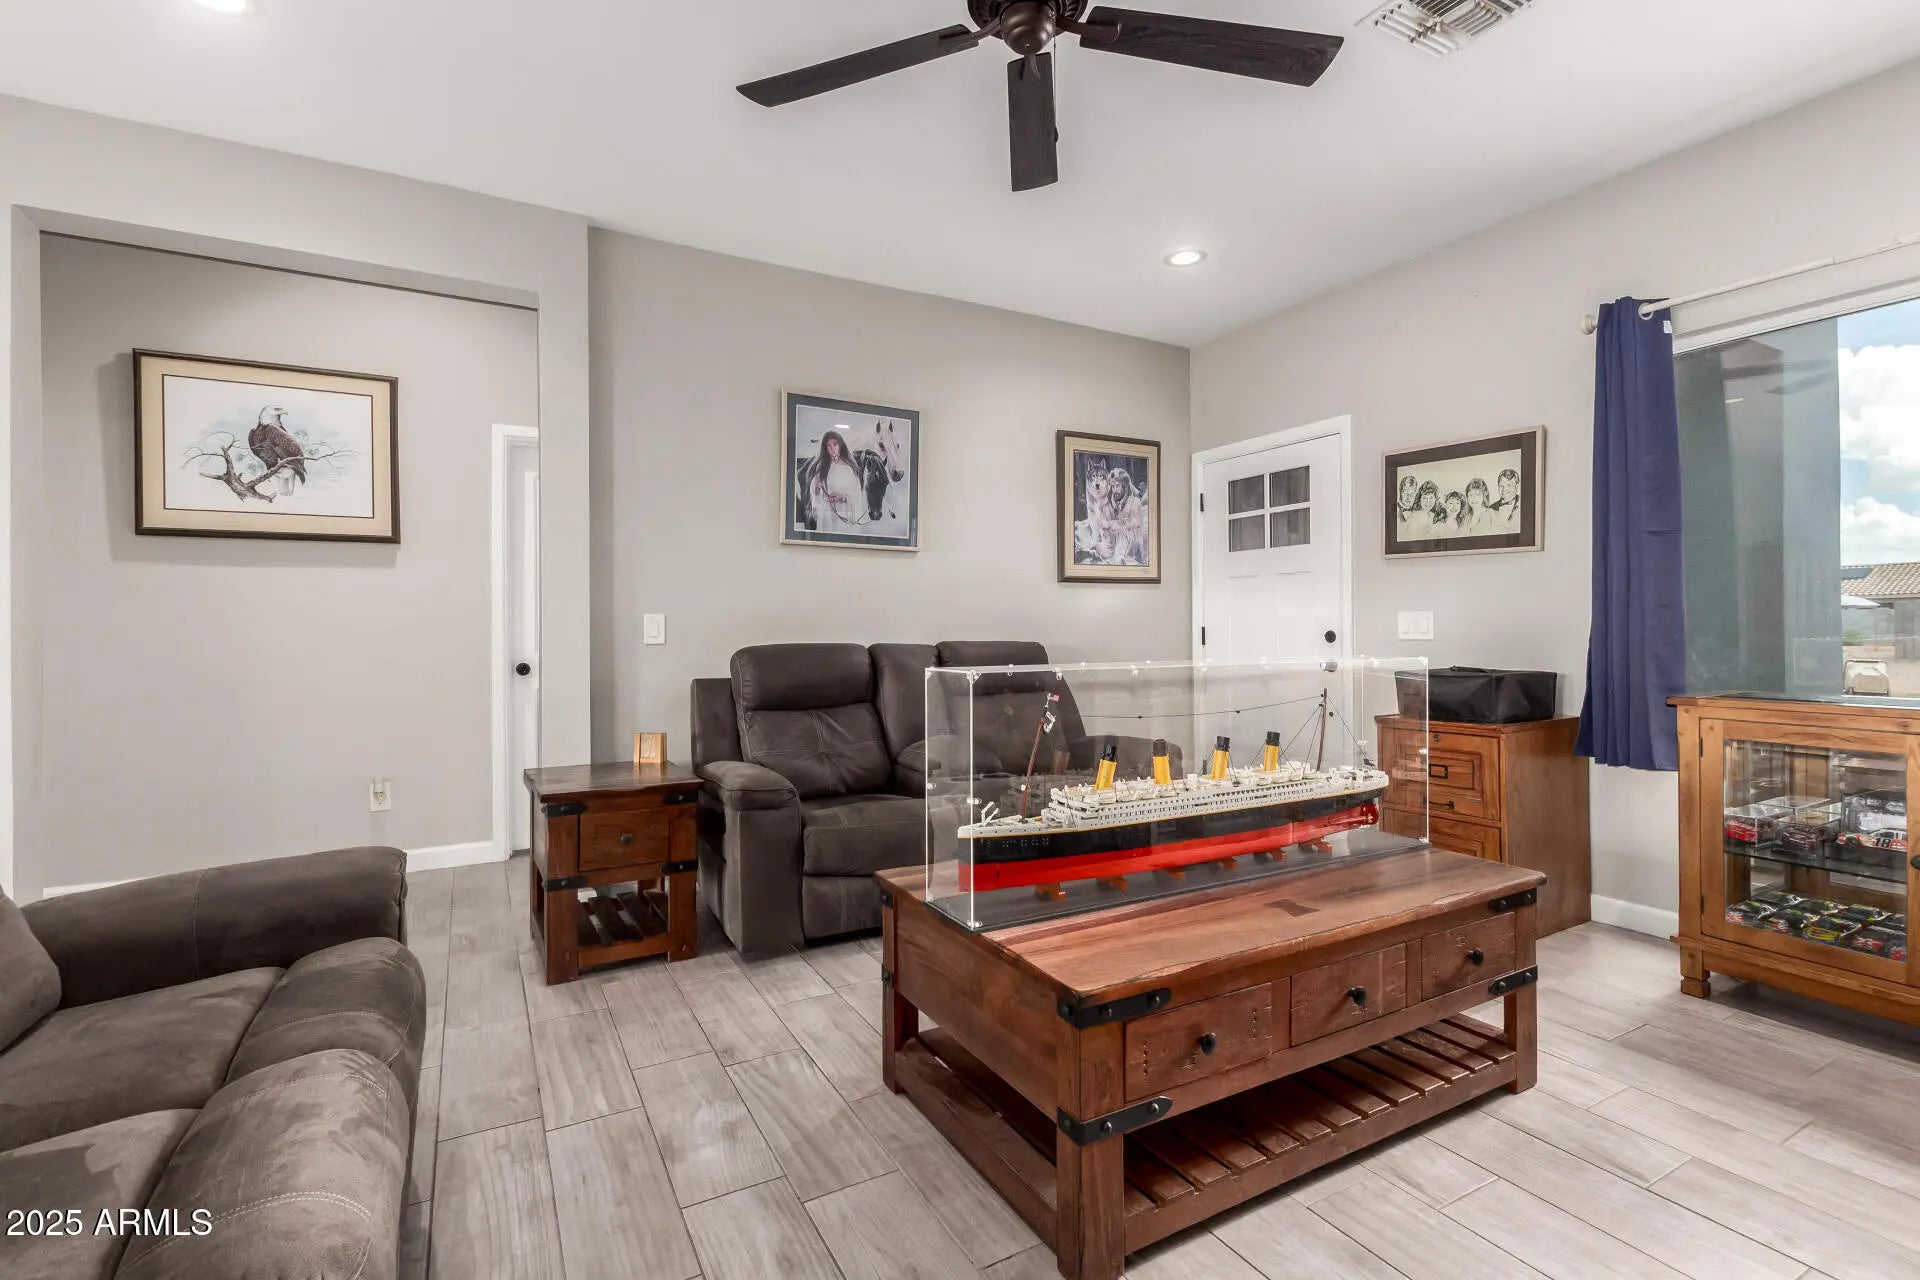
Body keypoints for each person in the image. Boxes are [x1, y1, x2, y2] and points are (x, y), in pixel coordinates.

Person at [808, 430, 864, 532]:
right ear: (825, 448)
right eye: (829, 446)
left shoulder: (850, 467)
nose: (832, 449)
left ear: (840, 445)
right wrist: (818, 489)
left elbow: (856, 493)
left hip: (845, 513)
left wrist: (843, 498)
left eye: (835, 444)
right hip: (828, 513)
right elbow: (815, 491)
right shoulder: (822, 466)